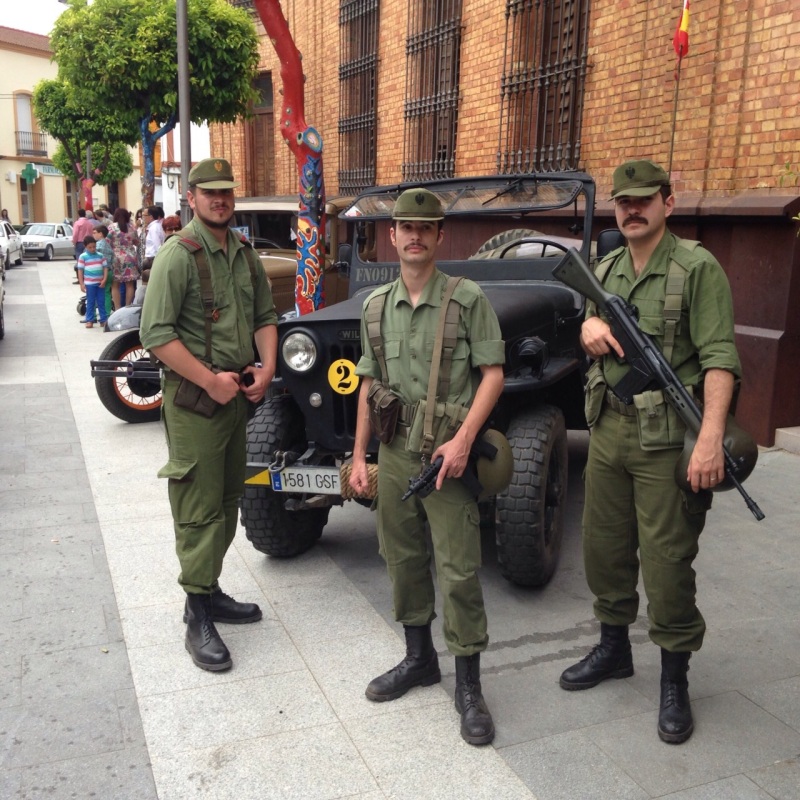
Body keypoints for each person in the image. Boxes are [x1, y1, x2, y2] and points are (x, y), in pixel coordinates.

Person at [558, 160, 742, 745]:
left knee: (667, 561)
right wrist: (587, 328)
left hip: (667, 444)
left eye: (643, 200)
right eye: (623, 202)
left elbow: (719, 358)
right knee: (603, 548)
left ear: (667, 202)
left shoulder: (697, 268)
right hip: (607, 431)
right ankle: (614, 650)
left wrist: (710, 435)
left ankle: (674, 678)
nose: (632, 210)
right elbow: (593, 323)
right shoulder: (606, 266)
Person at [348, 188, 505, 745]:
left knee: (460, 568)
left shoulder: (467, 300)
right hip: (394, 455)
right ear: (391, 236)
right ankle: (419, 659)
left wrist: (463, 441)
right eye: (404, 227)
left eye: (425, 228)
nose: (414, 235)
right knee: (402, 558)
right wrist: (360, 454)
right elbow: (369, 383)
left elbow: (492, 374)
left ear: (439, 237)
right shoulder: (374, 306)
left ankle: (468, 685)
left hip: (446, 454)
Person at [140, 158, 278, 672]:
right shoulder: (179, 255)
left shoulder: (244, 254)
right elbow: (155, 334)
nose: (220, 200)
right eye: (210, 192)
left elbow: (266, 317)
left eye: (227, 192)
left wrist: (266, 367)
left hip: (237, 396)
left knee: (226, 499)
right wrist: (209, 380)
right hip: (196, 402)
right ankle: (197, 613)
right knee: (198, 505)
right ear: (191, 197)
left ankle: (210, 589)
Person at [107, 207, 140, 309]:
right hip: (130, 257)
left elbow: (107, 242)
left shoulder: (111, 227)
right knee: (129, 285)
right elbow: (137, 242)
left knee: (115, 285)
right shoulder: (132, 227)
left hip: (116, 257)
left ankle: (117, 308)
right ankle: (128, 306)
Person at [76, 234, 108, 328]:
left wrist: (104, 279)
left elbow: (105, 268)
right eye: (90, 247)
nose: (93, 249)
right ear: (85, 246)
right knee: (90, 302)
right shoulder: (83, 257)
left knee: (101, 301)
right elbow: (80, 270)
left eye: (94, 246)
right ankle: (89, 320)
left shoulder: (100, 256)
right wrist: (81, 284)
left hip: (100, 283)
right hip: (90, 284)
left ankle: (103, 320)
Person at [93, 225, 115, 318]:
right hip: (109, 271)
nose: (93, 235)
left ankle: (92, 316)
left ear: (101, 234)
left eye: (95, 233)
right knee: (107, 293)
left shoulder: (97, 246)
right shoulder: (108, 245)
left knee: (93, 294)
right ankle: (106, 314)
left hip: (99, 272)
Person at [71, 209, 96, 282]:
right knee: (88, 259)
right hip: (88, 243)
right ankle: (87, 276)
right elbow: (92, 233)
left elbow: (75, 234)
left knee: (80, 261)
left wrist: (74, 242)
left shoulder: (77, 223)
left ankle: (80, 278)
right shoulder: (89, 223)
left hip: (79, 242)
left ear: (78, 214)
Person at [142, 205, 166, 270]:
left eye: (145, 216)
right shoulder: (155, 226)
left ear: (151, 217)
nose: (143, 218)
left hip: (153, 257)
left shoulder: (154, 228)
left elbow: (157, 245)